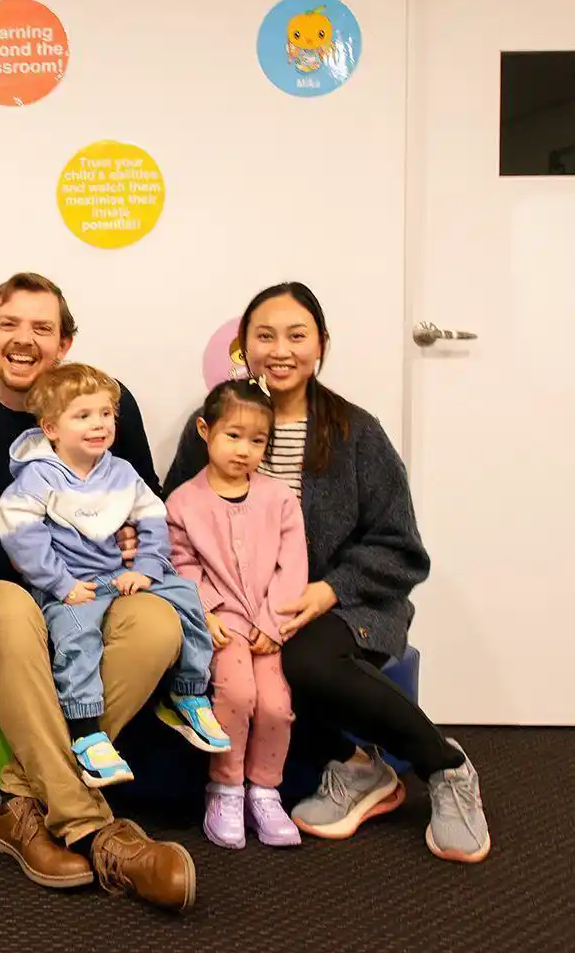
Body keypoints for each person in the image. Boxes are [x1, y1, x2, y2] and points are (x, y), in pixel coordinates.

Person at [163, 281, 490, 863]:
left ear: (321, 347)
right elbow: (178, 526)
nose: (280, 349)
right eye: (265, 335)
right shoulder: (213, 422)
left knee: (303, 660)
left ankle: (444, 764)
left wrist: (327, 589)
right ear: (244, 347)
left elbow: (401, 546)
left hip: (343, 603)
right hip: (235, 608)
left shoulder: (355, 432)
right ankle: (359, 767)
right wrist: (204, 605)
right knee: (246, 671)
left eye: (297, 335)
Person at [0, 272, 196, 912]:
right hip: (9, 591)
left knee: (161, 624)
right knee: (14, 607)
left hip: (98, 585)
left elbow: (143, 496)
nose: (25, 340)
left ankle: (16, 798)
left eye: (42, 328)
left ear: (64, 343)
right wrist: (34, 565)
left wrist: (134, 542)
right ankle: (97, 831)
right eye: (10, 325)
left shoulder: (110, 403)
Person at [0, 363, 228, 790]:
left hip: (117, 576)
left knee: (186, 596)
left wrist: (144, 567)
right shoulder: (36, 477)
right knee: (76, 636)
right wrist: (61, 584)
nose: (98, 424)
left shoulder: (120, 472)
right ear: (51, 427)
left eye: (105, 414)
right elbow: (21, 538)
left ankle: (187, 691)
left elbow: (153, 518)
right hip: (69, 586)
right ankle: (86, 732)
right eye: (82, 416)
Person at [166, 379, 307, 849]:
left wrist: (272, 622)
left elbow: (293, 566)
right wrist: (205, 611)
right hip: (222, 627)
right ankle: (224, 788)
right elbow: (180, 563)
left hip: (269, 626)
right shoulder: (183, 502)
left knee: (275, 704)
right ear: (205, 430)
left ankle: (265, 790)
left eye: (257, 440)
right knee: (236, 695)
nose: (245, 450)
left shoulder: (281, 500)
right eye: (233, 436)